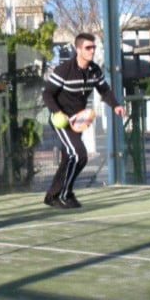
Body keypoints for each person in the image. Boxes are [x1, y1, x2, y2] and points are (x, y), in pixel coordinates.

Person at [42, 32, 126, 209]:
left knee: (71, 158)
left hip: (78, 121)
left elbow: (104, 91)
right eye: (88, 47)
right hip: (62, 121)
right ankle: (64, 194)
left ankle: (55, 195)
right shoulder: (64, 70)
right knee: (79, 154)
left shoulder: (94, 70)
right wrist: (58, 112)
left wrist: (116, 105)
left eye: (93, 47)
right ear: (77, 49)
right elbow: (47, 93)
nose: (92, 50)